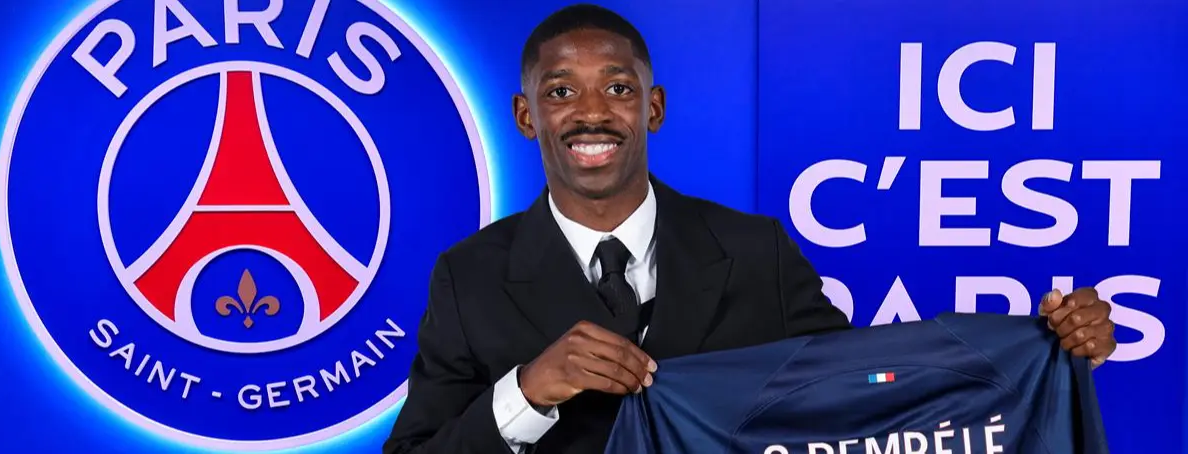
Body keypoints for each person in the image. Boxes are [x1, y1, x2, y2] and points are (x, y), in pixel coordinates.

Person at [382, 4, 1118, 453]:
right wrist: (530, 391)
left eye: (618, 87)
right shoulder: (469, 277)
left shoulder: (753, 250)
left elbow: (868, 394)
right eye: (561, 91)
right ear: (526, 117)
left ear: (653, 108)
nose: (593, 112)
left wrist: (1042, 347)